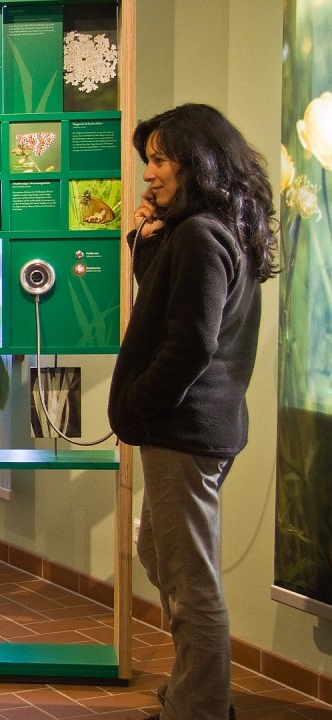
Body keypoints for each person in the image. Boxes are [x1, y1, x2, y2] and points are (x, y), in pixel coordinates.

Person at [108, 103, 279, 720]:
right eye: (147, 159)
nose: (148, 174)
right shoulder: (197, 231)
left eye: (159, 159)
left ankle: (202, 709)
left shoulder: (204, 235)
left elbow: (189, 344)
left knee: (192, 584)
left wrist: (137, 406)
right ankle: (193, 691)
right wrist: (146, 241)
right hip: (186, 428)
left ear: (197, 162)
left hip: (184, 431)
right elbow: (167, 305)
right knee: (160, 557)